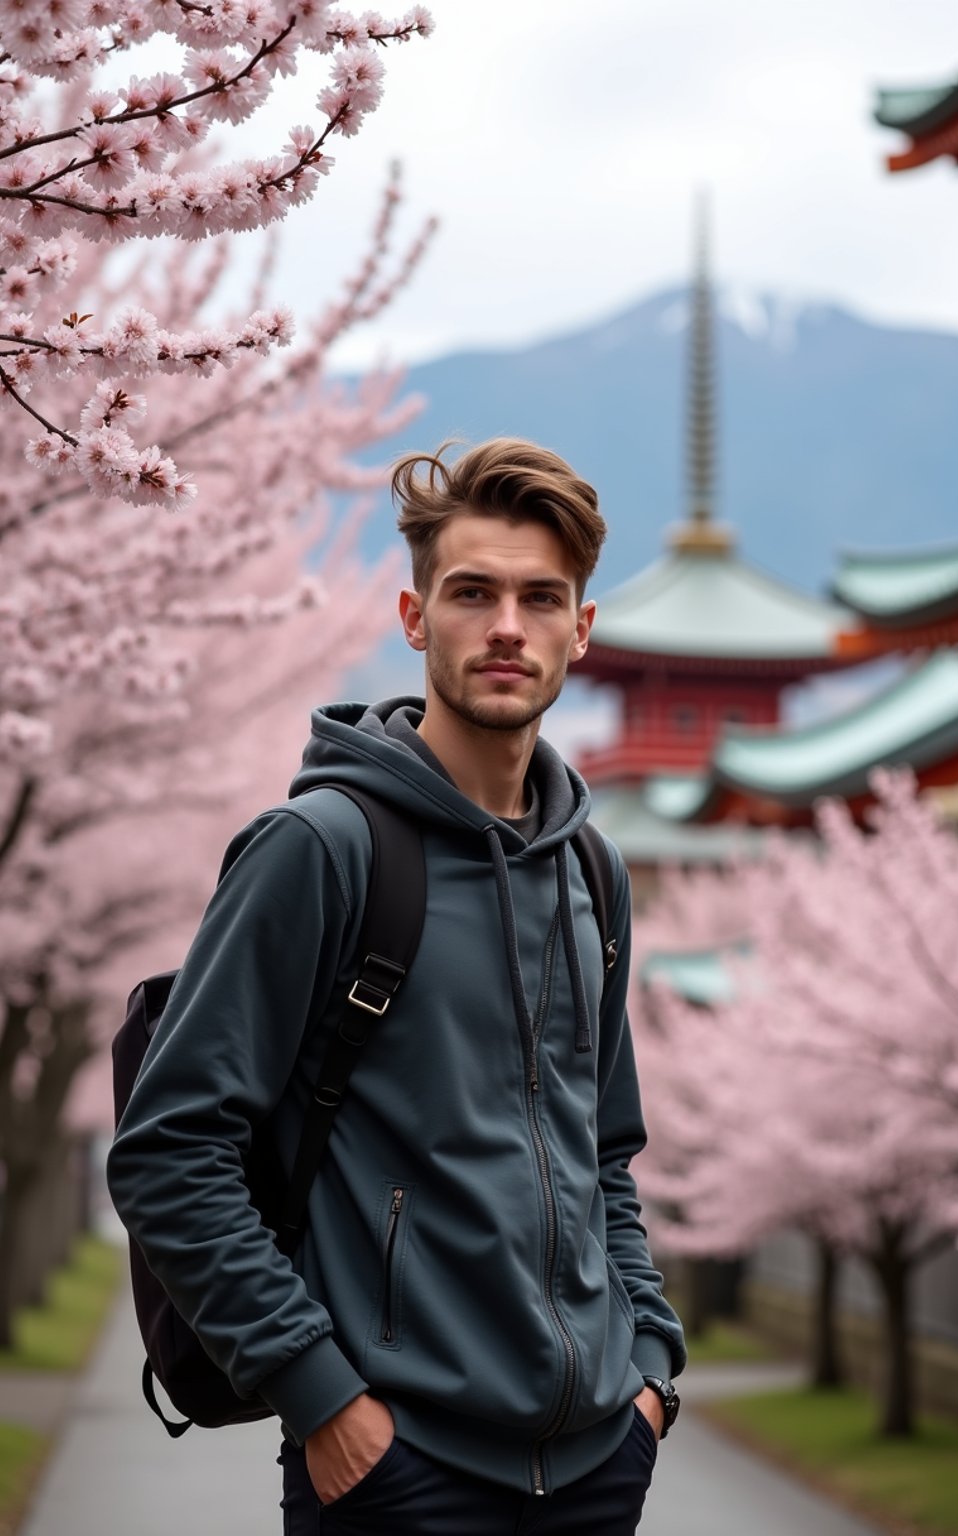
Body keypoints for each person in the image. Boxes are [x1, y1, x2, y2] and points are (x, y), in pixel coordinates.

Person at [107, 437, 685, 1535]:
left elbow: (602, 1150)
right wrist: (322, 1397)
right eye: (472, 593)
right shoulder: (321, 849)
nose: (506, 625)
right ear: (417, 618)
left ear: (581, 630)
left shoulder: (593, 874)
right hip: (396, 1472)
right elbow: (169, 1147)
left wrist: (651, 1367)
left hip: (598, 1464)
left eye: (539, 597)